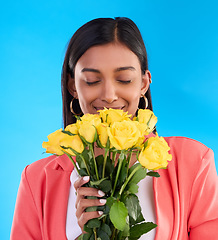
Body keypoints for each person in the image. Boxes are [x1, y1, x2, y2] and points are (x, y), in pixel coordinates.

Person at [11, 17, 218, 240]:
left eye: (124, 79)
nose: (109, 95)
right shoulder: (36, 179)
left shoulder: (194, 162)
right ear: (73, 86)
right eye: (91, 80)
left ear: (143, 84)